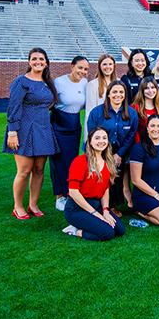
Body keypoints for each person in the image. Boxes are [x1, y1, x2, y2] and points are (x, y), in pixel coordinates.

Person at [6, 48, 61, 220]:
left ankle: (33, 204)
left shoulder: (46, 82)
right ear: (29, 62)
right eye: (34, 59)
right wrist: (12, 132)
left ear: (46, 62)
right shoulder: (21, 81)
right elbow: (13, 106)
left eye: (41, 59)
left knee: (38, 170)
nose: (38, 62)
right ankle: (18, 206)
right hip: (24, 130)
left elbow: (48, 103)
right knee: (24, 170)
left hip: (43, 129)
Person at [62, 126, 126, 241]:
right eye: (97, 138)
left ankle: (90, 222)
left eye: (104, 138)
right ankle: (75, 230)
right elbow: (73, 192)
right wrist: (94, 213)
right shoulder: (80, 161)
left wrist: (105, 210)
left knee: (120, 230)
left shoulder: (108, 161)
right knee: (107, 233)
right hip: (77, 208)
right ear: (90, 142)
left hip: (97, 205)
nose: (101, 141)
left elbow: (105, 189)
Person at [86, 80, 138, 214]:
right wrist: (105, 155)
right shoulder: (97, 112)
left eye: (121, 92)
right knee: (100, 175)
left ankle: (111, 205)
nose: (118, 95)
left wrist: (119, 154)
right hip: (98, 150)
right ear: (108, 94)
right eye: (114, 92)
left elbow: (130, 136)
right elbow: (92, 136)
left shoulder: (131, 113)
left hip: (120, 151)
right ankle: (95, 204)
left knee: (115, 178)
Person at [50, 55, 89, 211]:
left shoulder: (85, 83)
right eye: (80, 67)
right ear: (72, 66)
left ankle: (71, 192)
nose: (83, 72)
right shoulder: (59, 82)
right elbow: (50, 103)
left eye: (86, 69)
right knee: (58, 161)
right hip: (58, 125)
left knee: (72, 162)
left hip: (74, 126)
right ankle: (60, 197)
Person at [84, 53, 116, 140]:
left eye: (110, 64)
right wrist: (89, 136)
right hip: (99, 127)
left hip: (115, 128)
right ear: (100, 66)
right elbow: (89, 113)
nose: (107, 67)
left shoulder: (118, 83)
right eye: (104, 64)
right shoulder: (93, 85)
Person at [131, 76, 159, 143]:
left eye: (153, 87)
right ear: (142, 90)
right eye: (147, 88)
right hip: (139, 145)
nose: (150, 91)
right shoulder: (134, 108)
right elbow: (134, 131)